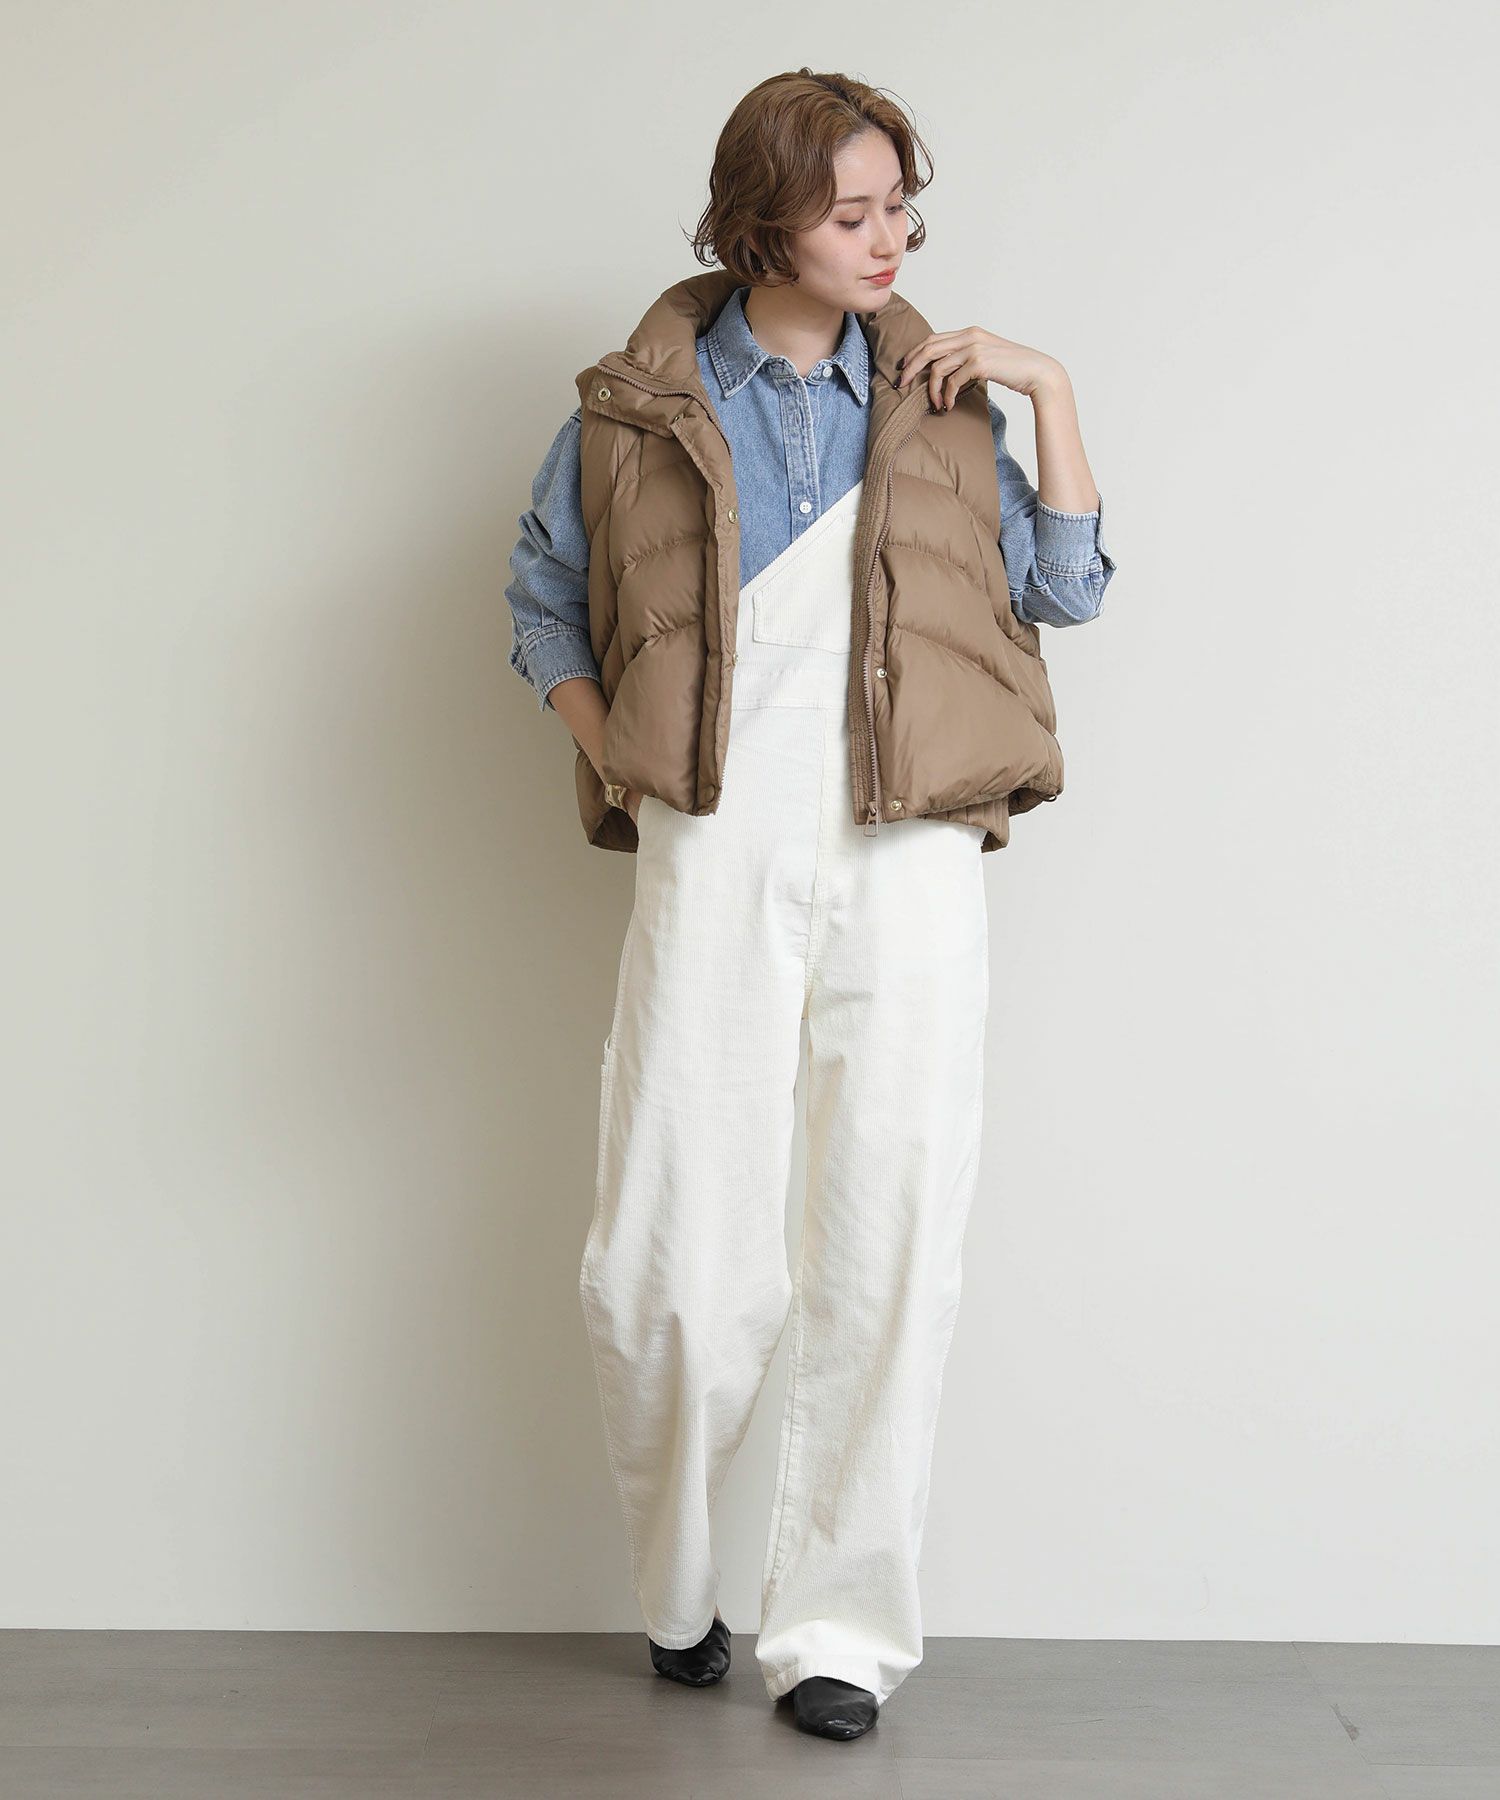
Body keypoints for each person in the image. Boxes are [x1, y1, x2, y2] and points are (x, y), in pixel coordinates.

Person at [504, 68, 1116, 1743]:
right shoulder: (633, 412)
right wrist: (618, 756)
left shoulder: (944, 405)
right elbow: (543, 603)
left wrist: (1048, 386)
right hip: (715, 835)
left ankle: (841, 1629)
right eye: (852, 212)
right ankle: (677, 1587)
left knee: (888, 1233)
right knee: (673, 1265)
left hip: (911, 848)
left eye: (900, 207)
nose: (889, 238)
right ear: (759, 222)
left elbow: (1067, 588)